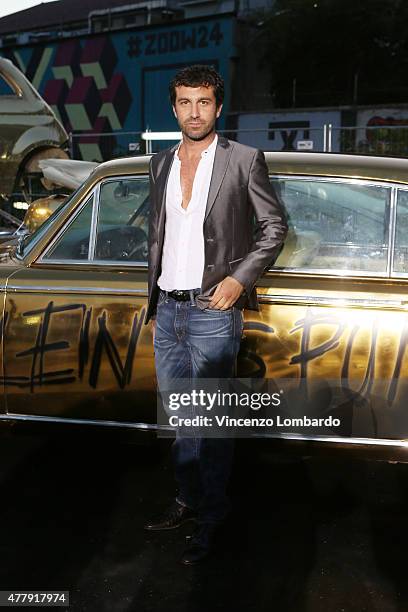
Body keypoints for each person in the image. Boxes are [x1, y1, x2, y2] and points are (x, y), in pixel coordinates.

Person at [144, 65, 288, 565]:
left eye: (203, 102)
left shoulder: (244, 160)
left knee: (212, 421)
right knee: (180, 417)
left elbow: (274, 227)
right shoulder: (160, 162)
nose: (194, 111)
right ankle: (187, 500)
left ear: (218, 107)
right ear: (174, 107)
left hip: (212, 310)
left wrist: (238, 280)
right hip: (168, 308)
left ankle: (213, 519)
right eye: (185, 102)